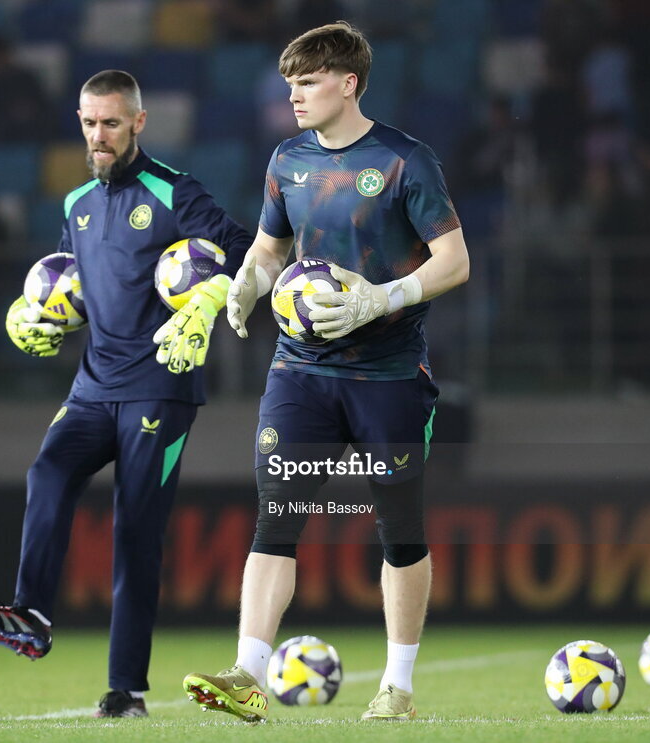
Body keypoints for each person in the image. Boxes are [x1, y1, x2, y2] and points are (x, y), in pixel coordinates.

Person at [180, 22, 469, 722]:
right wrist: (248, 281)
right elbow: (271, 248)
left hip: (390, 373)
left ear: (348, 83)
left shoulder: (404, 161)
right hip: (300, 370)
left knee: (400, 530)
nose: (294, 95)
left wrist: (381, 296)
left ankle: (397, 686)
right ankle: (249, 672)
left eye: (307, 82)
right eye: (290, 83)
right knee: (276, 520)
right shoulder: (287, 160)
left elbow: (454, 260)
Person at [0, 70, 252, 718]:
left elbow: (248, 254)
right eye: (88, 122)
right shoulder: (75, 204)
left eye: (111, 122)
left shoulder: (175, 192)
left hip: (161, 388)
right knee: (47, 472)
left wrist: (208, 298)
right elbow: (73, 286)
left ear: (138, 123)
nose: (98, 134)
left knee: (135, 529)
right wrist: (42, 318)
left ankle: (126, 689)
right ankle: (30, 613)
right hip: (92, 386)